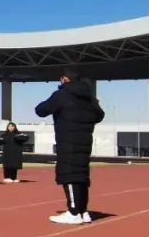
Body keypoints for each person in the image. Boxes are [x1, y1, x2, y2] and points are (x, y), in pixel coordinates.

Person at [35, 69, 105, 224]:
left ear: (65, 79)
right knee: (81, 176)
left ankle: (73, 212)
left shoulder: (62, 95)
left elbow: (40, 110)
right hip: (85, 141)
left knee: (70, 174)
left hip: (67, 141)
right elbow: (100, 115)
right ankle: (83, 211)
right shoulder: (89, 98)